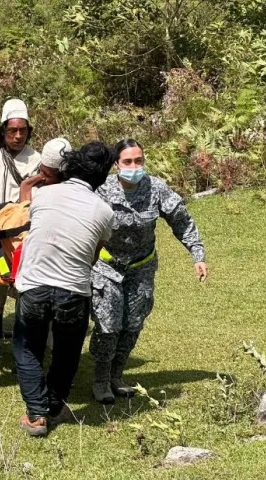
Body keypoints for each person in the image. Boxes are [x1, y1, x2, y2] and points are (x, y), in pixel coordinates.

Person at [89, 138, 208, 404]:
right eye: (127, 162)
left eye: (139, 161)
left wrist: (197, 254)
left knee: (132, 325)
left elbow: (182, 221)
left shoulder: (156, 188)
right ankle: (100, 380)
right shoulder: (101, 190)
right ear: (116, 165)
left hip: (141, 268)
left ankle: (117, 377)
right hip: (106, 267)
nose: (134, 166)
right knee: (108, 326)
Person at [12, 142, 115, 437]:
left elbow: (31, 227)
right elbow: (93, 255)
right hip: (74, 292)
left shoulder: (43, 195)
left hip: (34, 287)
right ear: (102, 177)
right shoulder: (105, 212)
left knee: (27, 347)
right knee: (67, 354)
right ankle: (53, 407)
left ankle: (36, 414)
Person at [0, 99, 42, 362]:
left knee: (24, 291)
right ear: (3, 131)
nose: (17, 136)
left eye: (22, 131)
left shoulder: (36, 159)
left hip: (22, 237)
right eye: (12, 130)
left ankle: (24, 348)